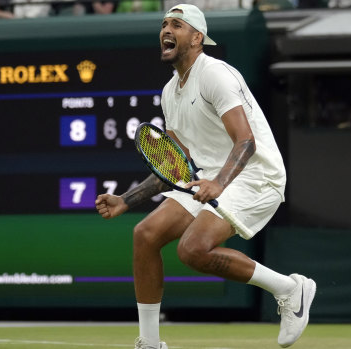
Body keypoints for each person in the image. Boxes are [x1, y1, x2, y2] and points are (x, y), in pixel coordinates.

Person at [95, 4, 316, 349]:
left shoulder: (216, 74)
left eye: (177, 25)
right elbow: (175, 166)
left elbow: (246, 141)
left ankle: (289, 289)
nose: (166, 29)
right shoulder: (170, 93)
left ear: (197, 38)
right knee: (145, 234)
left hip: (256, 175)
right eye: (165, 24)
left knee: (193, 249)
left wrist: (218, 183)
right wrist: (126, 199)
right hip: (212, 177)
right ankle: (150, 343)